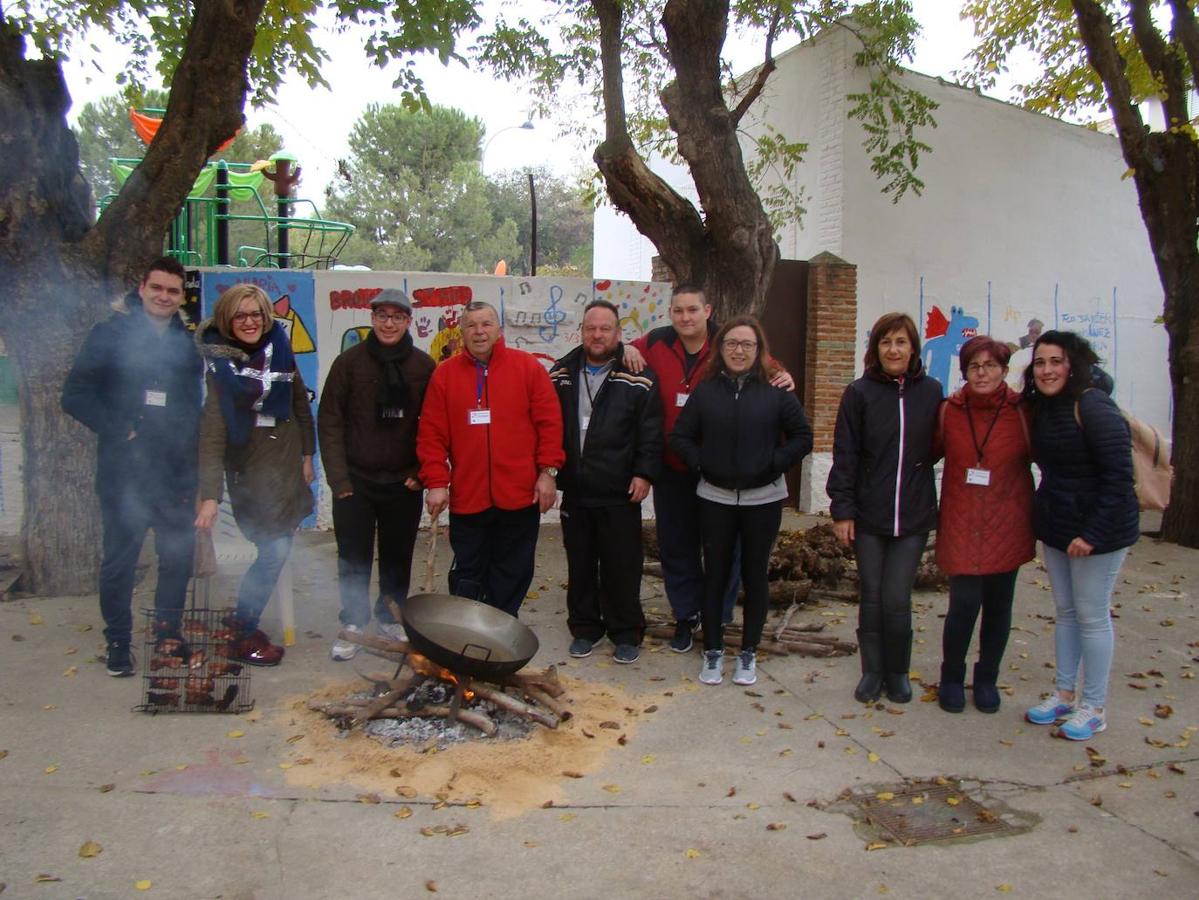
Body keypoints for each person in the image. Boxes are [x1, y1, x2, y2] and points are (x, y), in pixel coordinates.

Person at [624, 285, 793, 653]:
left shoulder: (729, 340)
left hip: (720, 471)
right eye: (679, 311)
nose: (686, 317)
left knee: (725, 549)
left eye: (693, 310)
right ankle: (686, 615)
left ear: (707, 310)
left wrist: (784, 376)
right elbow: (624, 347)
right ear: (671, 313)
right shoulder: (653, 342)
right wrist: (625, 348)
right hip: (672, 466)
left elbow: (768, 365)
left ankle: (718, 614)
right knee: (676, 545)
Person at [62, 257, 202, 677]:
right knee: (120, 560)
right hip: (125, 473)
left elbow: (193, 409)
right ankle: (118, 641)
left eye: (172, 291)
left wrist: (195, 475)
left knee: (177, 558)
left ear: (181, 298)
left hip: (174, 471)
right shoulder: (110, 334)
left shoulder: (186, 342)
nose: (164, 296)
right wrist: (118, 427)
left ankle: (167, 635)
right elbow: (74, 395)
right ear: (141, 288)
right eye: (157, 288)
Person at [671, 316, 813, 686]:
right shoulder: (706, 390)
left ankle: (748, 652)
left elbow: (802, 436)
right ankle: (714, 651)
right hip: (715, 497)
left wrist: (774, 463)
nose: (738, 350)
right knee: (715, 574)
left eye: (747, 344)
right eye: (732, 343)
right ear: (721, 349)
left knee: (755, 575)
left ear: (759, 350)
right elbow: (681, 437)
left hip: (763, 499)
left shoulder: (777, 391)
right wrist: (703, 463)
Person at [1021, 330, 1137, 740]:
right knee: (1067, 612)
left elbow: (1120, 477)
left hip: (1098, 532)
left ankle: (1094, 706)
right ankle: (1065, 694)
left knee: (1092, 615)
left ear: (1073, 365)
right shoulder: (1044, 407)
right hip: (1059, 526)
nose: (1047, 370)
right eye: (1040, 362)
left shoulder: (1093, 405)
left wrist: (1092, 533)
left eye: (1056, 361)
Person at [416, 301, 564, 617]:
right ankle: (468, 626)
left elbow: (550, 425)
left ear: (499, 329)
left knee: (512, 569)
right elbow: (431, 434)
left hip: (520, 495)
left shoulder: (528, 369)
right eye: (471, 325)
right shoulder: (444, 376)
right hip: (469, 497)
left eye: (486, 324)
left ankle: (500, 628)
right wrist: (437, 482)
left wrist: (548, 472)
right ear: (462, 331)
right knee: (468, 569)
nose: (479, 331)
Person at [194, 284, 316, 666]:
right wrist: (210, 494)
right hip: (250, 471)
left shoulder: (281, 348)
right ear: (228, 320)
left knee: (278, 547)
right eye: (241, 315)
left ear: (266, 317)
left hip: (286, 465)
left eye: (256, 314)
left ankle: (241, 620)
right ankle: (243, 630)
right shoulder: (221, 366)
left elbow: (299, 405)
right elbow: (213, 431)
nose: (250, 322)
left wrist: (308, 454)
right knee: (274, 550)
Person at [827, 312, 941, 704]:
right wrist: (843, 510)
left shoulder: (931, 391)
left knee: (897, 596)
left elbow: (943, 445)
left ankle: (898, 673)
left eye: (901, 342)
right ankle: (872, 672)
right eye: (885, 342)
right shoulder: (859, 393)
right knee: (872, 596)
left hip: (913, 515)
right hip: (869, 516)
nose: (893, 349)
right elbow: (846, 454)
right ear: (875, 349)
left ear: (913, 348)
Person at [319, 289, 436, 661]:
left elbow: (433, 424)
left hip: (404, 481)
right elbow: (330, 421)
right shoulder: (349, 363)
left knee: (397, 555)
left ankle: (389, 617)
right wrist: (338, 480)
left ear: (407, 322)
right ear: (372, 319)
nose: (389, 323)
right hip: (356, 481)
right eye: (382, 316)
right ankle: (353, 622)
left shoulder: (423, 366)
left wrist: (422, 472)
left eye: (397, 317)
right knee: (352, 556)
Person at [549, 300, 663, 664]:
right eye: (591, 328)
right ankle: (585, 628)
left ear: (618, 333)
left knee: (621, 565)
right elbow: (547, 426)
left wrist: (644, 473)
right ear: (581, 331)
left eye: (605, 329)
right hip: (577, 490)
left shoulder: (639, 375)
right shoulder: (561, 373)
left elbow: (651, 429)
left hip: (619, 491)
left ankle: (626, 632)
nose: (597, 335)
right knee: (580, 564)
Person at [934, 336, 1034, 713]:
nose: (982, 373)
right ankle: (951, 677)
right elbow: (923, 454)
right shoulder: (949, 411)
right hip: (962, 521)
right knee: (962, 604)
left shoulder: (1022, 412)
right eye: (974, 366)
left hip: (1006, 522)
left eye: (990, 366)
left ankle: (987, 677)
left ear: (1004, 371)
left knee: (998, 605)